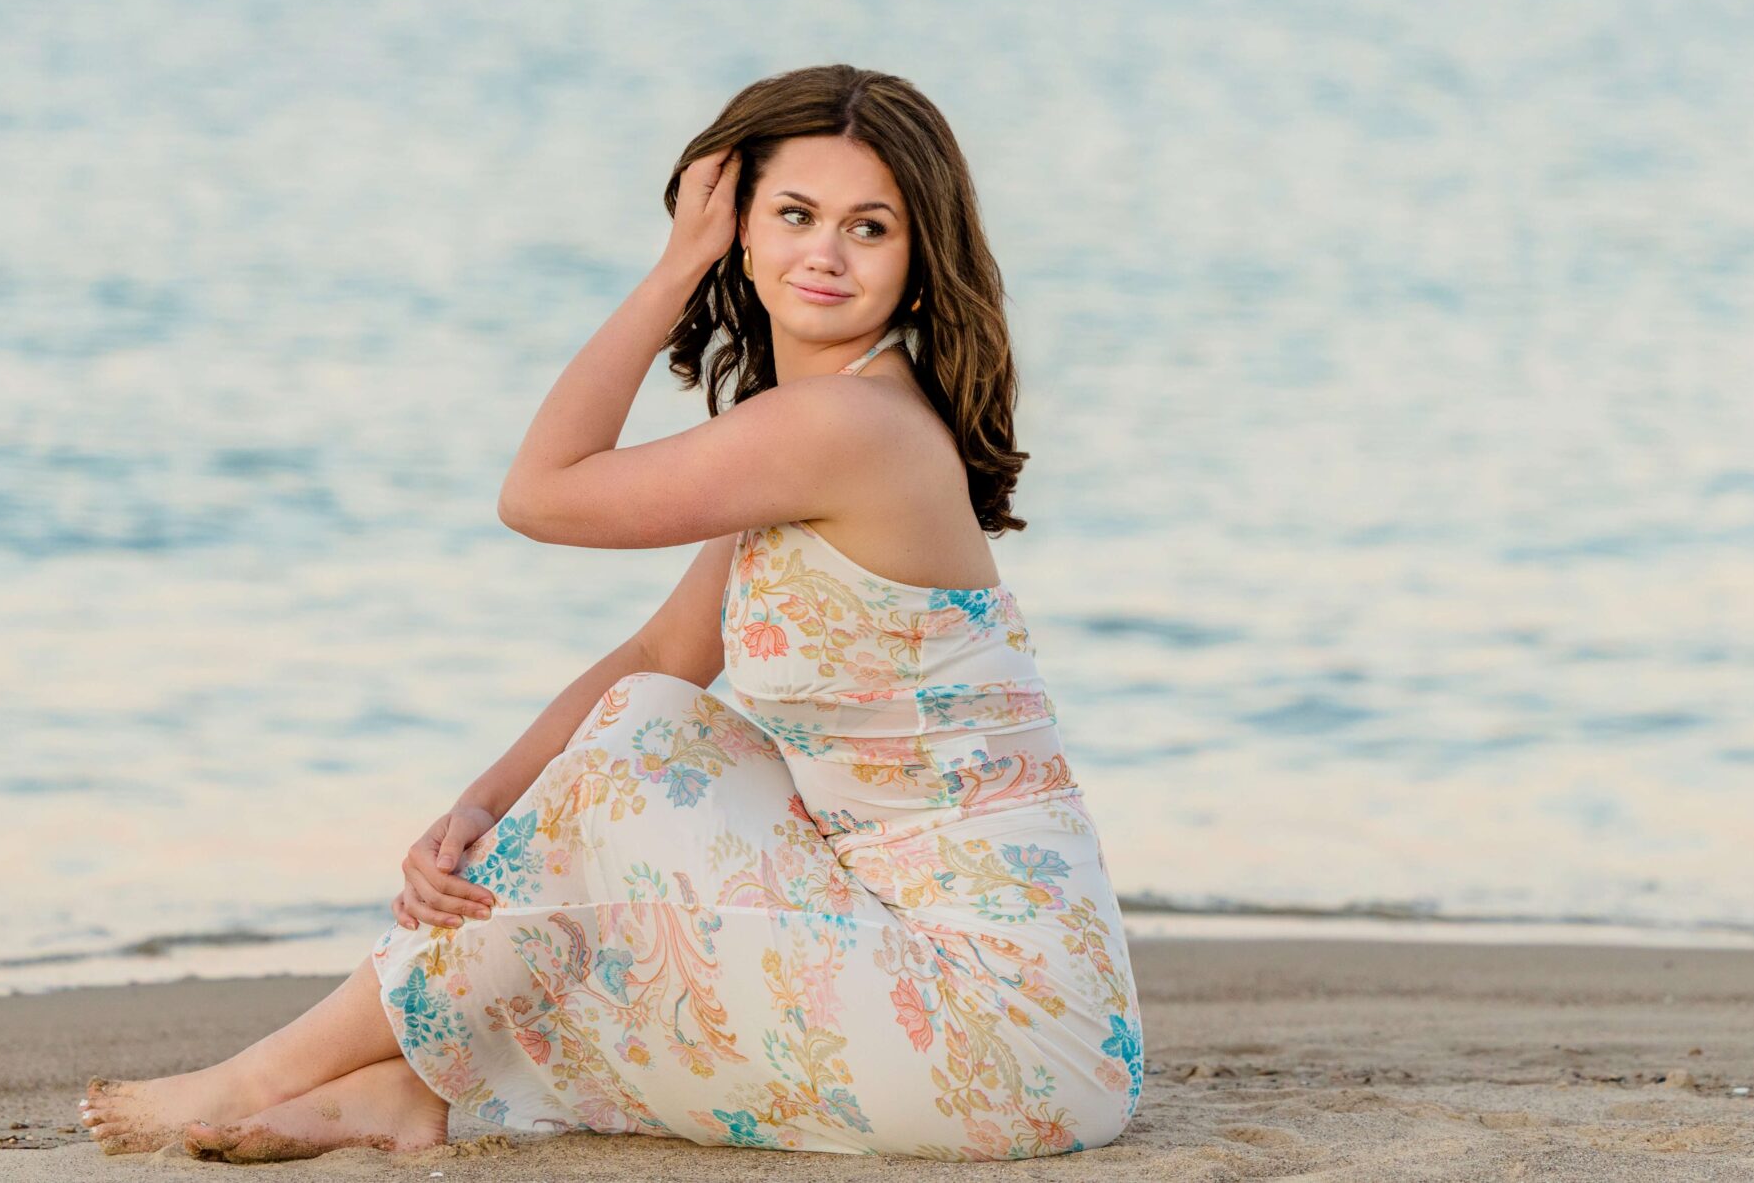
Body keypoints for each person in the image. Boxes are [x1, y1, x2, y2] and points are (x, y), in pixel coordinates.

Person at [79, 64, 1142, 1161]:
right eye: (793, 215)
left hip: (1008, 1032)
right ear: (746, 224)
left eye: (867, 227)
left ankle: (279, 1072)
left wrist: (675, 263)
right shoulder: (813, 425)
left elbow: (537, 493)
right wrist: (480, 806)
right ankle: (414, 1091)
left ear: (920, 262)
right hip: (955, 975)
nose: (823, 252)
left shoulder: (843, 428)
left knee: (640, 752)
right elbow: (664, 650)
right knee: (647, 734)